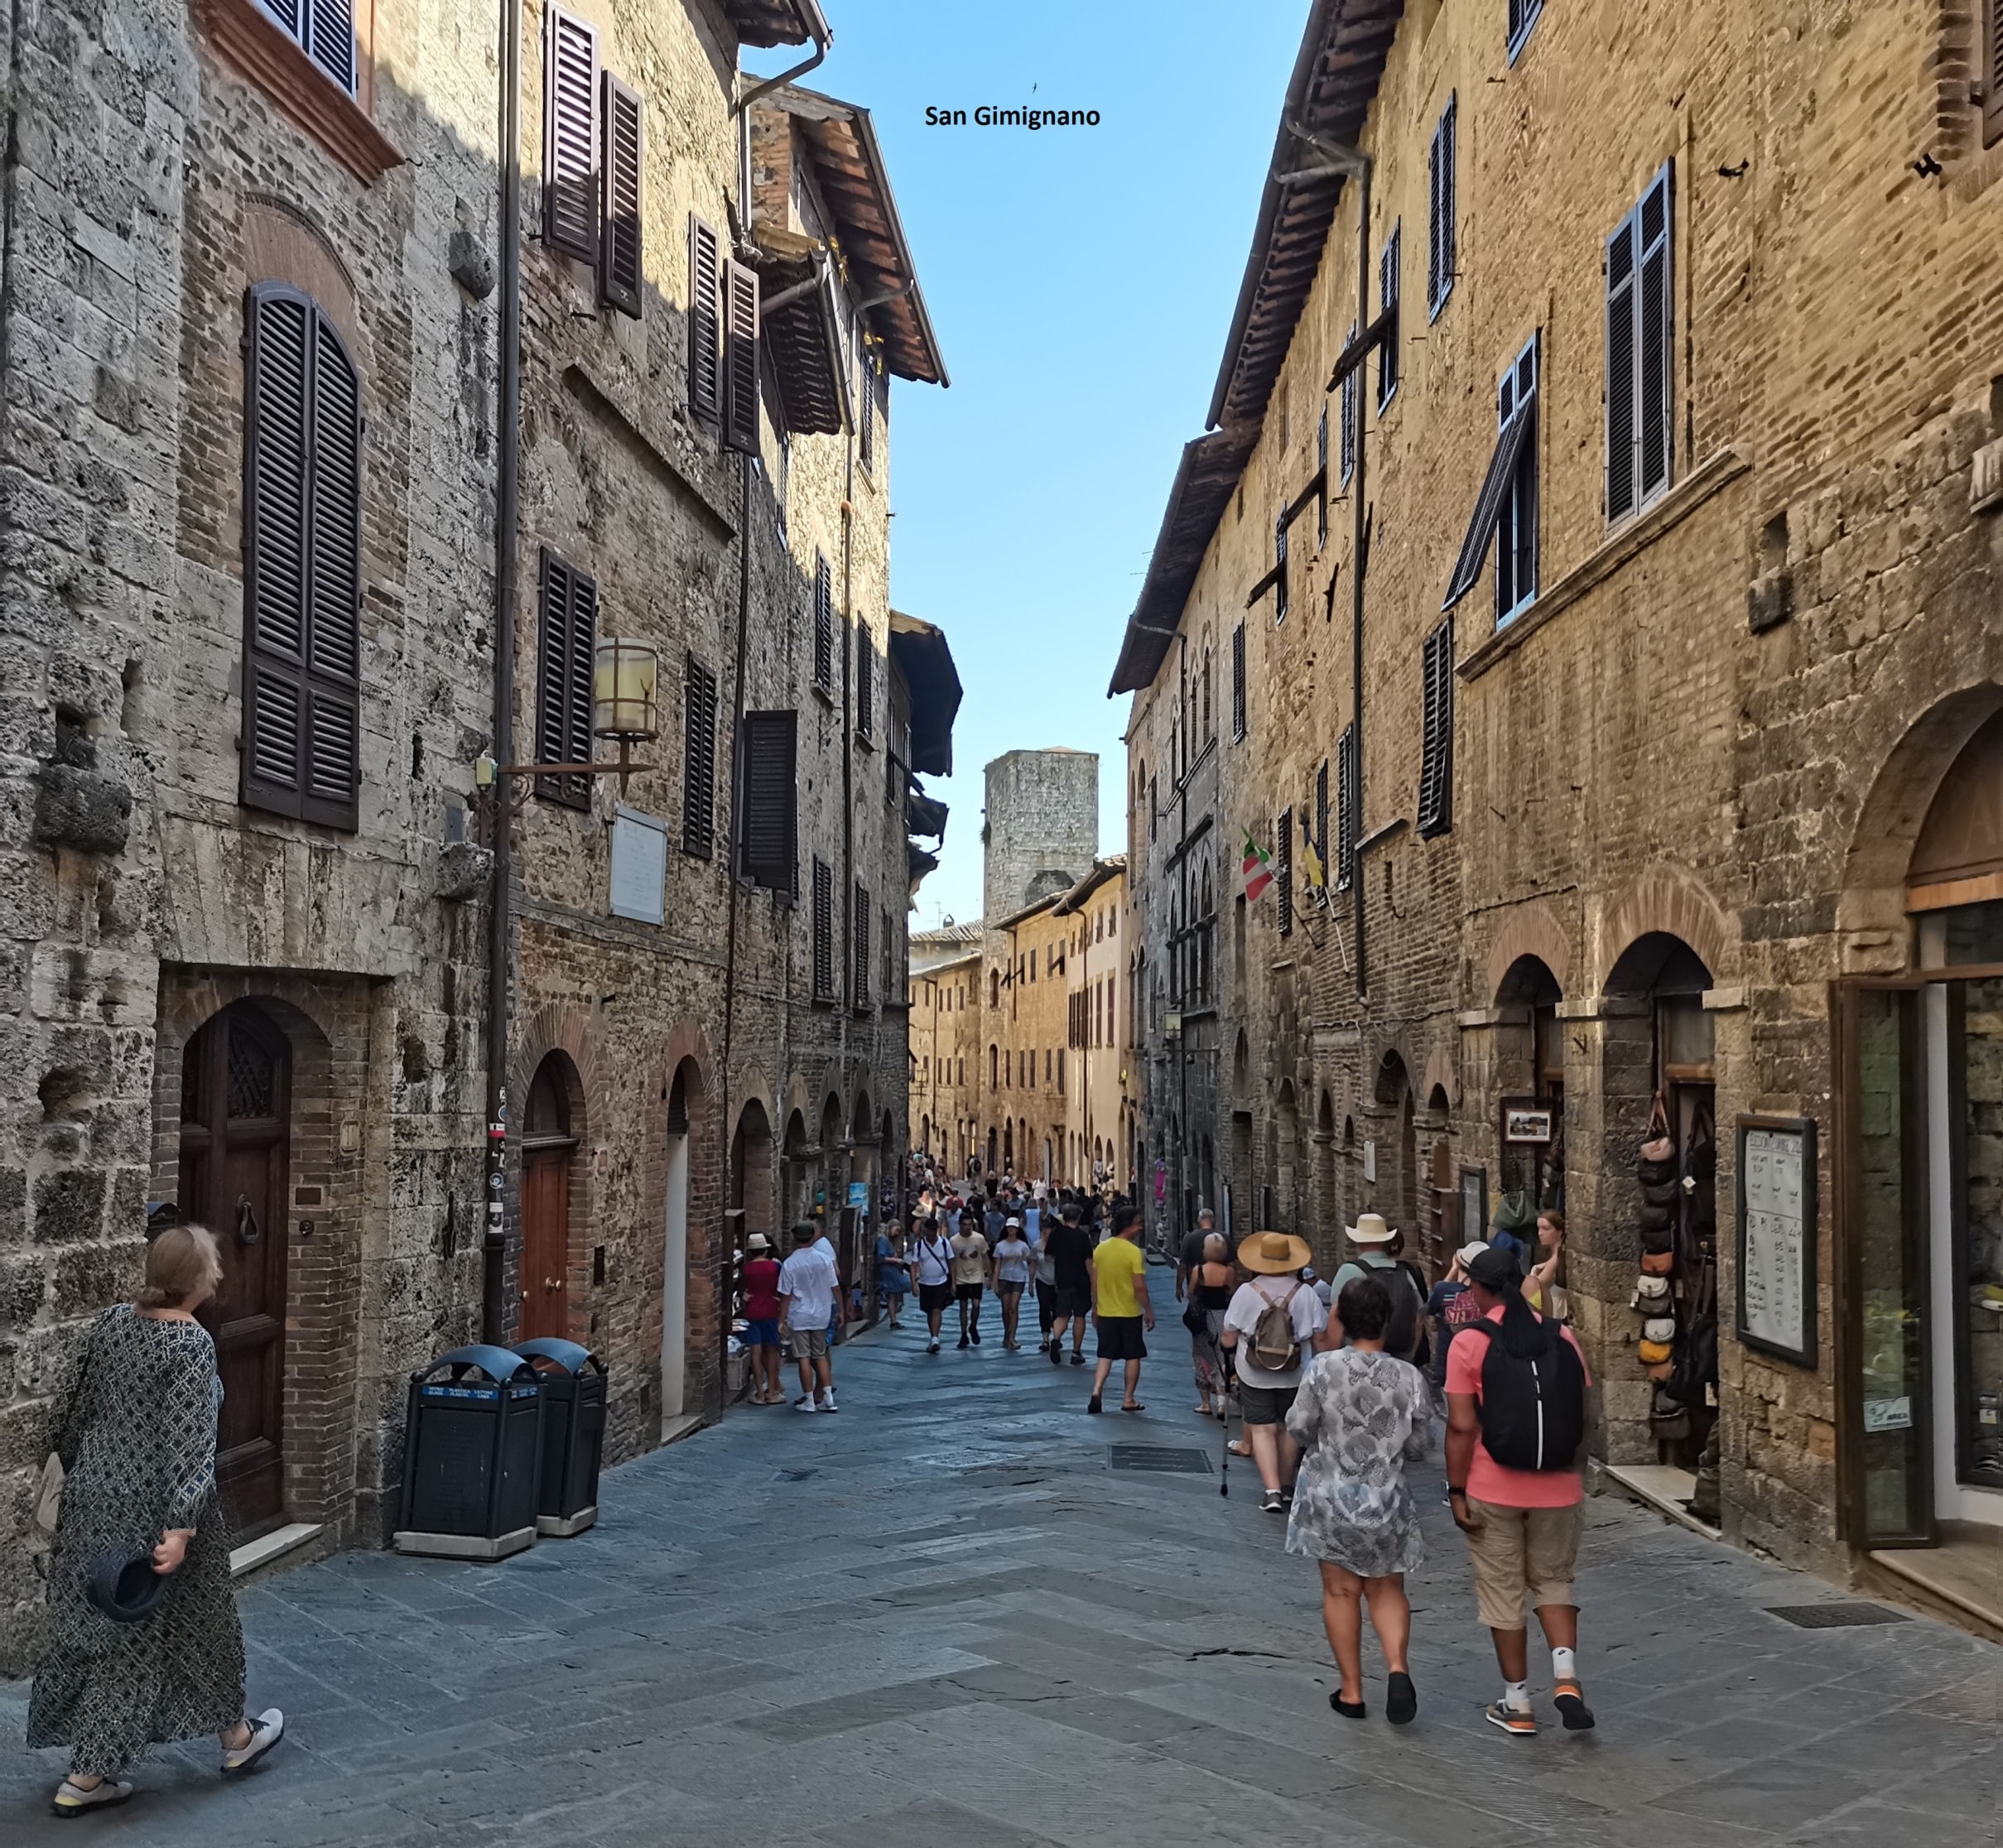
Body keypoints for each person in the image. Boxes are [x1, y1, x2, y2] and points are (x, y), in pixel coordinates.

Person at [29, 1224, 286, 1817]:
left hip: (94, 1498)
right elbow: (190, 1444)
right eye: (213, 1265)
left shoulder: (112, 1322)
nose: (219, 1273)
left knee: (187, 1625)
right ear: (194, 1279)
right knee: (135, 1634)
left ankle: (236, 1737)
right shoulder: (190, 1344)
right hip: (156, 1510)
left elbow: (69, 1408)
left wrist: (77, 1474)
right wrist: (180, 1528)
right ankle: (86, 1779)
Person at [1447, 1244, 1596, 1736]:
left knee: (1502, 1590)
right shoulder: (1563, 1335)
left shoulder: (1469, 1343)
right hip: (1559, 1486)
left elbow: (1462, 1427)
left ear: (1479, 1288)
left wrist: (1456, 1490)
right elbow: (1584, 1411)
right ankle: (1566, 1677)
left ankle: (1518, 1703)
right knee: (1554, 1581)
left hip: (1494, 1486)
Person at [1287, 1274, 1432, 1725]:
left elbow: (1298, 1425)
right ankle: (1397, 1668)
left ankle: (1351, 1691)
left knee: (1340, 1591)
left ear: (1343, 1319)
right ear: (1387, 1321)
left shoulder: (1322, 1369)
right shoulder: (1409, 1377)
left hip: (1329, 1500)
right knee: (1387, 1588)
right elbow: (1419, 1444)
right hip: (1385, 1501)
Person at [1221, 1232, 1330, 1513]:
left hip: (1254, 1372)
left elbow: (1229, 1338)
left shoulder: (1246, 1292)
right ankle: (1287, 1485)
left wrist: (1227, 1346)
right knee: (1289, 1427)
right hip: (1295, 1371)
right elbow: (1319, 1337)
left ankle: (1271, 1492)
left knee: (1262, 1428)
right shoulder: (1306, 1293)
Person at [1331, 1215, 1427, 1365]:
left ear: (1358, 1241)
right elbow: (1419, 1318)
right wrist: (1409, 1357)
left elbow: (1335, 1317)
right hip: (1399, 1357)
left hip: (1355, 1361)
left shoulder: (1349, 1271)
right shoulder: (1404, 1272)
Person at [1086, 1202, 1153, 1413]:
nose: (1141, 1228)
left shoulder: (1100, 1249)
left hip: (1106, 1312)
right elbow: (1139, 1286)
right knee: (1133, 1355)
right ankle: (1128, 1399)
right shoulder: (1133, 1252)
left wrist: (1095, 1308)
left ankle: (1097, 1389)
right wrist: (1149, 1311)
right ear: (1129, 1225)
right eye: (1138, 1224)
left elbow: (1094, 1283)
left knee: (1105, 1355)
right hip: (1129, 1312)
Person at [778, 1223, 840, 1412]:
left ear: (795, 1238)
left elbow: (785, 1295)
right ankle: (829, 1399)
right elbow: (835, 1286)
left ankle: (810, 1400)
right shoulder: (824, 1260)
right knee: (820, 1355)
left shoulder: (790, 1263)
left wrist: (781, 1320)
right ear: (813, 1237)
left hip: (800, 1315)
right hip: (821, 1313)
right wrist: (841, 1309)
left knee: (803, 1357)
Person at [1187, 1232, 1235, 1417]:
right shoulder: (1229, 1272)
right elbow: (1232, 1293)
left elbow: (1191, 1292)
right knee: (1222, 1358)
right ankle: (1222, 1400)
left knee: (1202, 1358)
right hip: (1221, 1317)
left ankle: (1206, 1403)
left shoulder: (1198, 1271)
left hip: (1202, 1320)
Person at [1044, 1203, 1094, 1366]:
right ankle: (1076, 1352)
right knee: (1079, 1316)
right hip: (1081, 1282)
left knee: (1062, 1315)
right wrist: (1094, 1281)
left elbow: (1048, 1257)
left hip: (1062, 1280)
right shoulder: (1083, 1237)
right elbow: (1089, 1263)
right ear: (1078, 1217)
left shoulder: (1056, 1235)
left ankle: (1056, 1338)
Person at [741, 1233, 785, 1404]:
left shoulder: (747, 1268)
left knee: (756, 1351)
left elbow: (743, 1289)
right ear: (765, 1250)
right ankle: (772, 1391)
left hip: (752, 1310)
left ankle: (759, 1393)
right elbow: (783, 1287)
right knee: (772, 1349)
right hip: (770, 1310)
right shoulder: (775, 1267)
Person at [911, 1215, 954, 1354]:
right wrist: (914, 1284)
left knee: (937, 1309)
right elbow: (914, 1265)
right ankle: (933, 1336)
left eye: (934, 1229)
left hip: (941, 1281)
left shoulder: (945, 1243)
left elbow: (951, 1262)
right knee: (929, 1311)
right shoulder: (919, 1246)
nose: (932, 1232)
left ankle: (935, 1338)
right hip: (925, 1283)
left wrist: (953, 1282)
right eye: (930, 1230)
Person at [990, 1216, 1034, 1350]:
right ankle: (1007, 1333)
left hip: (1018, 1278)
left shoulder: (1023, 1245)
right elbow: (997, 1265)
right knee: (1006, 1309)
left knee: (1014, 1307)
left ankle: (1012, 1337)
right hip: (1004, 1278)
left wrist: (1031, 1280)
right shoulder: (1000, 1246)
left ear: (1017, 1229)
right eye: (1009, 1227)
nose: (1011, 1230)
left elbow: (1031, 1261)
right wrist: (994, 1281)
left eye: (1014, 1228)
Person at [950, 1208, 990, 1348]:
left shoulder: (979, 1239)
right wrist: (952, 1282)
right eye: (965, 1224)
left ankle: (973, 1326)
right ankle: (963, 1334)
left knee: (976, 1304)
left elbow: (985, 1256)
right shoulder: (954, 1241)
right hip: (961, 1277)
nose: (967, 1227)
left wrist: (989, 1275)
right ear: (960, 1225)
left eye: (970, 1225)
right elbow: (951, 1262)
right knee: (963, 1306)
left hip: (976, 1275)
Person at [1524, 1209, 1568, 1321]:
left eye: (1546, 1229)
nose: (1540, 1233)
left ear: (1559, 1232)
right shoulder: (1544, 1253)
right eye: (1539, 1228)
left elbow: (1539, 1283)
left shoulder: (1561, 1257)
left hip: (1558, 1311)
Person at [1032, 1207, 1060, 1354]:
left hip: (1057, 1281)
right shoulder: (1036, 1246)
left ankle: (1057, 1337)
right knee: (1044, 1308)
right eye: (1043, 1229)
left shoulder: (1059, 1245)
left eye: (1048, 1229)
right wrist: (1030, 1283)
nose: (1045, 1232)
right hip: (1042, 1280)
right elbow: (1033, 1263)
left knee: (1057, 1310)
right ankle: (1045, 1338)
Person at [1175, 1207, 1218, 1302]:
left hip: (1196, 1287)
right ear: (1213, 1220)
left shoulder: (1190, 1238)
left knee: (1196, 1309)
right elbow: (1232, 1264)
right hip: (1220, 1289)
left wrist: (1179, 1287)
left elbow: (1182, 1266)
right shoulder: (1223, 1237)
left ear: (1199, 1220)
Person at [875, 1221, 910, 1331]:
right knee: (905, 1284)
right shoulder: (883, 1240)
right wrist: (896, 1260)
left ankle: (893, 1321)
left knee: (892, 1296)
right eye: (896, 1230)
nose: (897, 1233)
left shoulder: (888, 1241)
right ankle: (892, 1318)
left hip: (891, 1269)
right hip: (888, 1270)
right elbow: (880, 1258)